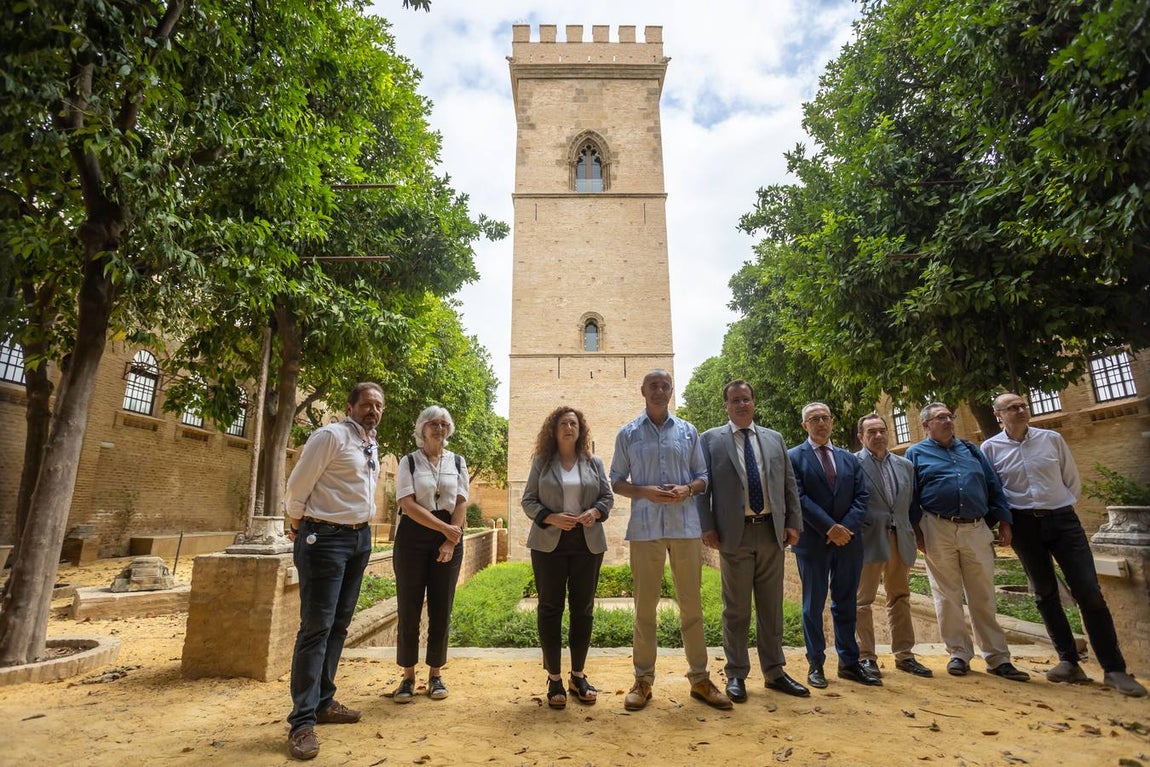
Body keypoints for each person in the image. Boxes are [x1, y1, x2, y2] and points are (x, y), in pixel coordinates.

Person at [982, 392, 1146, 697]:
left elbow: (1072, 481)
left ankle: (1114, 669)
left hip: (1062, 520)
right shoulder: (990, 449)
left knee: (1088, 590)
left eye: (1023, 406)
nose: (1020, 410)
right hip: (1023, 525)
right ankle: (1069, 661)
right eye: (1012, 408)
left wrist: (1057, 506)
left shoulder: (1051, 439)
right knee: (1044, 592)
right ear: (998, 415)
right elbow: (995, 490)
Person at [610, 369, 732, 711]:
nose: (660, 390)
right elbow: (616, 481)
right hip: (646, 529)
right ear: (643, 390)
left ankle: (700, 679)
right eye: (654, 385)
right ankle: (643, 680)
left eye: (665, 385)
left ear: (670, 390)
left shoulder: (688, 432)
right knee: (644, 609)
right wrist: (644, 491)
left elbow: (703, 477)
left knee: (691, 607)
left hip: (684, 527)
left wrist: (687, 489)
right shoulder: (628, 434)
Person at [284, 382, 384, 761]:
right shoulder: (330, 437)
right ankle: (302, 722)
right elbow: (297, 487)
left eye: (378, 405)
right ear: (350, 406)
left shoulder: (368, 442)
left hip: (358, 540)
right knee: (316, 629)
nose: (372, 410)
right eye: (366, 404)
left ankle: (324, 701)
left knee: (339, 625)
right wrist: (298, 527)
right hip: (323, 538)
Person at [699, 380, 809, 702]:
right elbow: (702, 489)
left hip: (771, 532)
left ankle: (774, 672)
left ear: (754, 402)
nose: (741, 404)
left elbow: (789, 484)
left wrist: (793, 522)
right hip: (734, 534)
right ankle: (736, 674)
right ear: (726, 406)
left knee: (771, 608)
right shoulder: (710, 441)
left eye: (746, 399)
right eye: (734, 400)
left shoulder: (774, 439)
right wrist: (706, 527)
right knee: (735, 610)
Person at [906, 402, 1029, 682]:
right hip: (937, 527)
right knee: (946, 594)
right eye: (941, 418)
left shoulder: (972, 450)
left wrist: (1004, 520)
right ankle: (959, 653)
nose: (948, 421)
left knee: (982, 593)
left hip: (976, 527)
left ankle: (998, 657)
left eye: (950, 416)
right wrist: (917, 531)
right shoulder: (916, 453)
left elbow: (992, 485)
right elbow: (910, 496)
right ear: (926, 425)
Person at [521, 406, 614, 709]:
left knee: (583, 610)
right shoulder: (541, 463)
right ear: (554, 429)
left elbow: (607, 497)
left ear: (580, 429)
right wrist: (550, 517)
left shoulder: (594, 462)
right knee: (550, 608)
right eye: (563, 423)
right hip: (549, 542)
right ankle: (554, 677)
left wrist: (595, 512)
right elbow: (528, 501)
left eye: (574, 423)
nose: (569, 428)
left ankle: (578, 675)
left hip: (587, 542)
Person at [788, 402, 877, 688]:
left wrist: (845, 529)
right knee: (812, 605)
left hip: (848, 542)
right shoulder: (793, 458)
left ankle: (849, 663)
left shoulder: (849, 459)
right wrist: (829, 527)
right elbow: (798, 498)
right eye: (814, 419)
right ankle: (815, 664)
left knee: (846, 603)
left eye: (825, 417)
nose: (821, 423)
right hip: (813, 542)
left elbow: (862, 497)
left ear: (832, 422)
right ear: (805, 425)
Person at [391, 406, 469, 703]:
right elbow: (407, 504)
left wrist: (450, 540)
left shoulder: (458, 461)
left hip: (450, 535)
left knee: (441, 607)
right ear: (422, 428)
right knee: (409, 606)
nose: (439, 428)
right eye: (433, 424)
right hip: (413, 536)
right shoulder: (408, 462)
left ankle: (435, 674)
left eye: (444, 424)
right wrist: (443, 529)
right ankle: (408, 677)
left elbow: (461, 501)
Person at [853, 414, 932, 679]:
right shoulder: (852, 464)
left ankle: (905, 655)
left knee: (899, 597)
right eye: (871, 432)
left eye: (881, 431)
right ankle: (865, 657)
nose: (878, 436)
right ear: (861, 437)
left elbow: (910, 505)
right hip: (868, 540)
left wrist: (916, 535)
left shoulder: (905, 465)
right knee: (862, 601)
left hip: (901, 538)